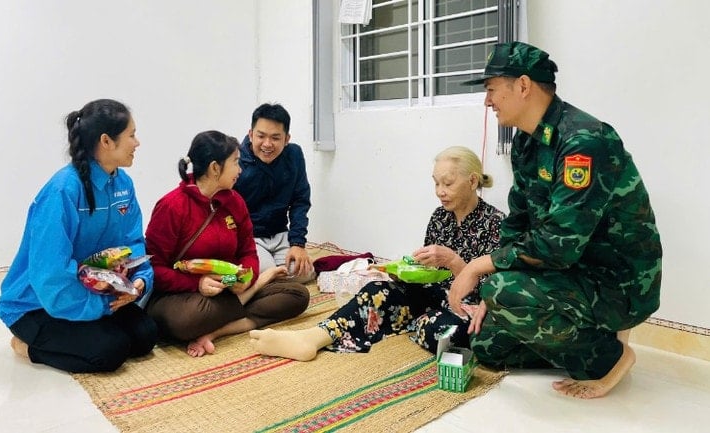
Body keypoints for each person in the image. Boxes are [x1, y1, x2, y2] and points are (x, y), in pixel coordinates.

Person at [450, 41, 662, 399]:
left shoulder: (585, 141)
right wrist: (496, 276)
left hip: (616, 283)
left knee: (501, 292)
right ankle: (583, 339)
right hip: (569, 271)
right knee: (486, 344)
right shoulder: (527, 143)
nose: (487, 102)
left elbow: (559, 244)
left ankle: (612, 357)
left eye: (491, 90)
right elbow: (518, 220)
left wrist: (479, 268)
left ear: (522, 86)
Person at [250, 146, 504, 361]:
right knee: (376, 291)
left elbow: (492, 291)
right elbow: (429, 274)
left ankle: (411, 320)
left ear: (472, 181)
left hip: (468, 308)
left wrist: (454, 261)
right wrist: (399, 271)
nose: (440, 191)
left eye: (447, 183)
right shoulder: (440, 217)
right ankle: (312, 337)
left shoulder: (495, 223)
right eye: (436, 183)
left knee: (444, 330)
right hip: (434, 297)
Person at [0, 99, 158, 373]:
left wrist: (140, 282)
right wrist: (103, 305)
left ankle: (86, 328)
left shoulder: (122, 184)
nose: (137, 143)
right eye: (131, 135)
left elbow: (133, 243)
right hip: (38, 303)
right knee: (111, 351)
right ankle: (26, 345)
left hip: (95, 291)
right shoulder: (63, 190)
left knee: (145, 337)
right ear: (107, 141)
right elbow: (51, 274)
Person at [145, 130, 310, 357]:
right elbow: (154, 268)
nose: (240, 170)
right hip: (182, 295)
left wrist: (244, 279)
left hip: (226, 289)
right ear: (215, 168)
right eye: (235, 162)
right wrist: (198, 284)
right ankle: (255, 291)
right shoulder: (172, 206)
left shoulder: (235, 202)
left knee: (297, 295)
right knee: (187, 320)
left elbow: (248, 253)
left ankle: (216, 331)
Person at [233, 103, 315, 283]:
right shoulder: (235, 160)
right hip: (248, 237)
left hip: (279, 234)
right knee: (267, 274)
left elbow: (300, 201)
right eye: (261, 136)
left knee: (302, 273)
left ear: (287, 139)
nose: (267, 144)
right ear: (251, 134)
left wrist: (297, 244)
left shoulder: (294, 155)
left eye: (275, 138)